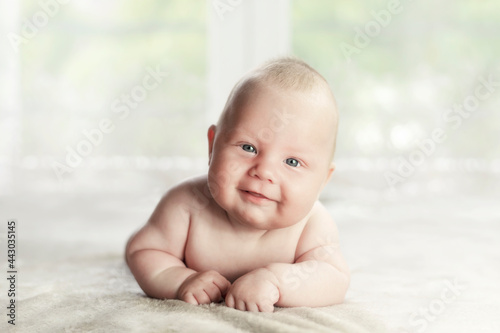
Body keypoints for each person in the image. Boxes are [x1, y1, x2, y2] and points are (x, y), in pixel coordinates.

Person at [126, 57, 350, 312]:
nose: (264, 171)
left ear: (323, 181)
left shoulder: (312, 224)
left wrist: (277, 281)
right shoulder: (187, 205)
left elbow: (334, 277)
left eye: (292, 162)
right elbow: (144, 250)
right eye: (248, 147)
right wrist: (181, 279)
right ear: (213, 145)